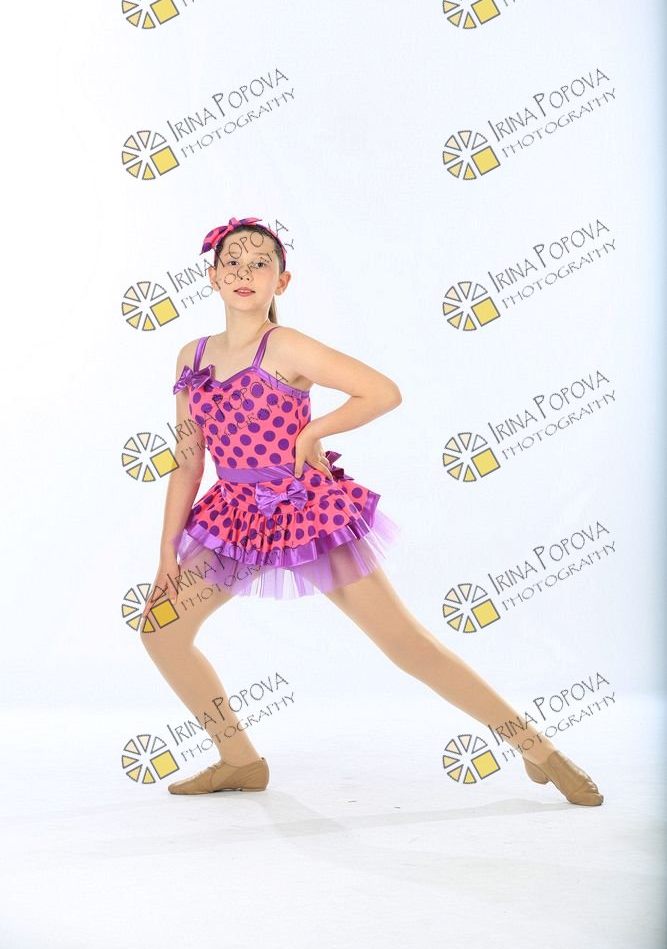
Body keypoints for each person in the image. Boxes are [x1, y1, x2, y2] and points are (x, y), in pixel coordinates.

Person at [139, 216, 604, 806]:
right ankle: (239, 760)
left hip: (305, 512)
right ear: (212, 276)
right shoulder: (193, 356)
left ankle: (536, 747)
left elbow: (382, 391)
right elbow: (188, 461)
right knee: (161, 631)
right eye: (232, 262)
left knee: (404, 643)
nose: (244, 272)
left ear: (282, 280)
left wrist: (312, 434)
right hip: (234, 519)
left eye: (260, 263)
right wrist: (166, 552)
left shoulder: (285, 345)